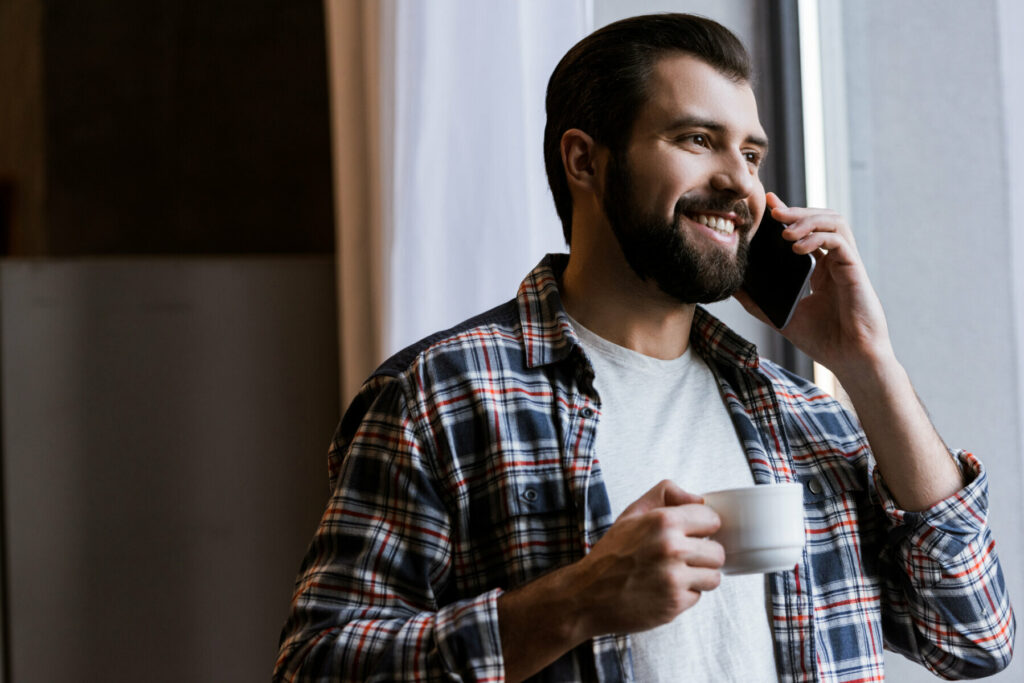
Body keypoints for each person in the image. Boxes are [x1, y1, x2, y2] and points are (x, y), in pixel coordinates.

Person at [274, 13, 1015, 682]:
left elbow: (973, 634)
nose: (741, 185)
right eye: (698, 139)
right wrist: (575, 600)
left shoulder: (804, 417)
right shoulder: (440, 395)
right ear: (585, 161)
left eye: (752, 155)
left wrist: (867, 362)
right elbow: (317, 666)